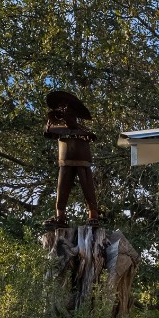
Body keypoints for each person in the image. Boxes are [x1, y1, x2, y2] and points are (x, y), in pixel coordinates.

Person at [44, 90, 100, 227]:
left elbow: (79, 129)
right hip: (65, 158)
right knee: (62, 187)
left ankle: (93, 214)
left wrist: (82, 132)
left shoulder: (82, 131)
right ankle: (60, 216)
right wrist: (53, 120)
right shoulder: (57, 127)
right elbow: (48, 131)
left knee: (87, 186)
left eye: (68, 109)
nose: (65, 111)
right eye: (62, 108)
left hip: (82, 158)